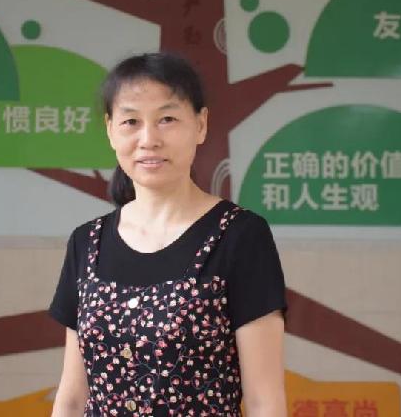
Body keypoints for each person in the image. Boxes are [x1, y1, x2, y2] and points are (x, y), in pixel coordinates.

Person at [49, 53, 287, 416]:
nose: (149, 139)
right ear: (110, 130)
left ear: (201, 125)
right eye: (131, 121)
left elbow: (263, 400)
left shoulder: (240, 236)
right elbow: (71, 397)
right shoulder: (87, 242)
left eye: (167, 119)